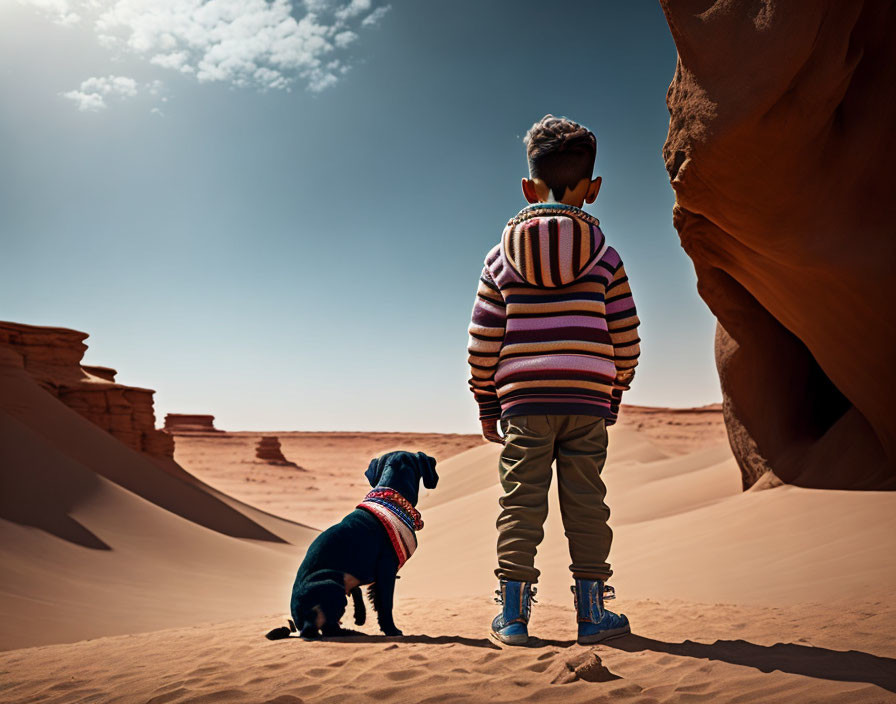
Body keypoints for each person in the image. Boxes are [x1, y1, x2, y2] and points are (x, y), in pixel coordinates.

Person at [466, 114, 640, 645]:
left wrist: (486, 402)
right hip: (587, 399)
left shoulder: (500, 260)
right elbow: (627, 336)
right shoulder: (606, 259)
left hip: (522, 403)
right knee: (587, 503)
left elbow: (482, 341)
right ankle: (592, 616)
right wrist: (615, 390)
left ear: (527, 187)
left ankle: (514, 617)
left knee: (521, 502)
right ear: (593, 189)